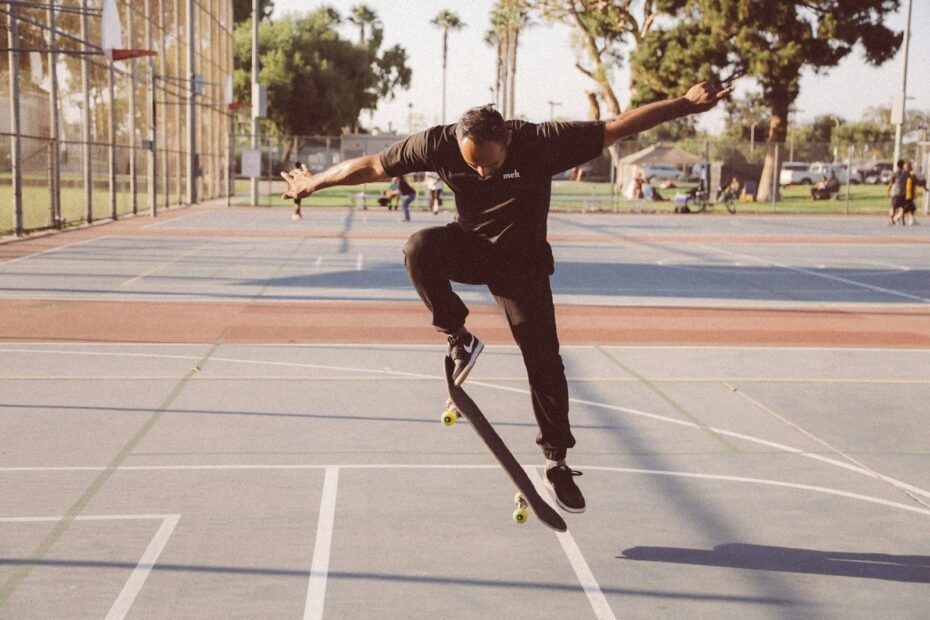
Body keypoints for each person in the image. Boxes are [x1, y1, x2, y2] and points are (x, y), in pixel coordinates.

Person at [281, 81, 732, 514]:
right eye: (473, 166)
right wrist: (314, 182)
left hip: (523, 266)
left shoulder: (543, 141)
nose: (482, 173)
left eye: (491, 166)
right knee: (418, 247)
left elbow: (619, 126)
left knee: (544, 361)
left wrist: (685, 105)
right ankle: (459, 336)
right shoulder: (437, 144)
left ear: (508, 139)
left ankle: (557, 463)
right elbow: (374, 166)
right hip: (471, 248)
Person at [902, 161, 926, 226]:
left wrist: (923, 185)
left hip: (909, 193)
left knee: (910, 207)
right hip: (907, 194)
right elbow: (917, 181)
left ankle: (911, 219)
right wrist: (923, 184)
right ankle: (899, 218)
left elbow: (916, 182)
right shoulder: (909, 174)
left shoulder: (907, 174)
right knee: (909, 207)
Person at [888, 159, 907, 225]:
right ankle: (903, 220)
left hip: (896, 192)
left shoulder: (895, 173)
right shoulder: (905, 173)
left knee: (893, 206)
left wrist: (889, 190)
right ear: (903, 165)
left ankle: (891, 220)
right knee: (902, 207)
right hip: (903, 192)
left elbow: (891, 182)